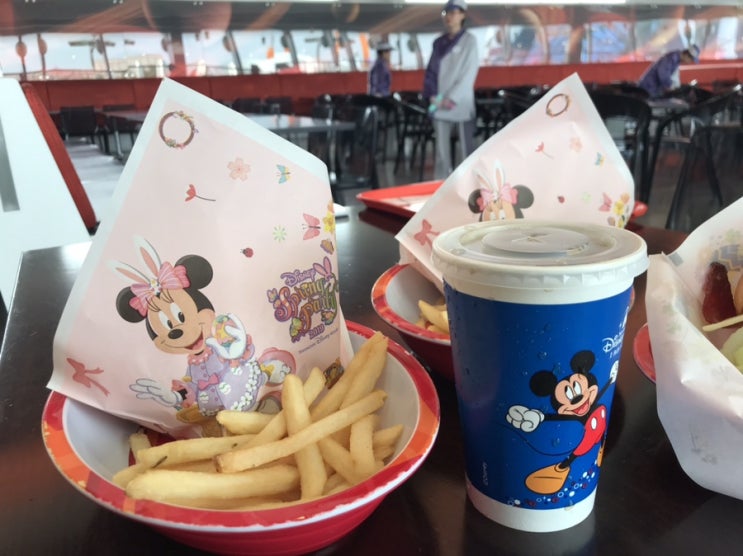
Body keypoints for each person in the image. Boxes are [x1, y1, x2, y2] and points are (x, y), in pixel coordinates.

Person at [423, 0, 479, 179]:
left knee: (465, 151)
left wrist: (452, 98)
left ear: (462, 15)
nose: (449, 17)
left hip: (460, 103)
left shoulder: (470, 41)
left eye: (454, 12)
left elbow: (469, 73)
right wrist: (433, 96)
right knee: (441, 152)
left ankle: (466, 185)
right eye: (446, 13)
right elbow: (431, 72)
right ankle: (440, 184)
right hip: (439, 102)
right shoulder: (438, 42)